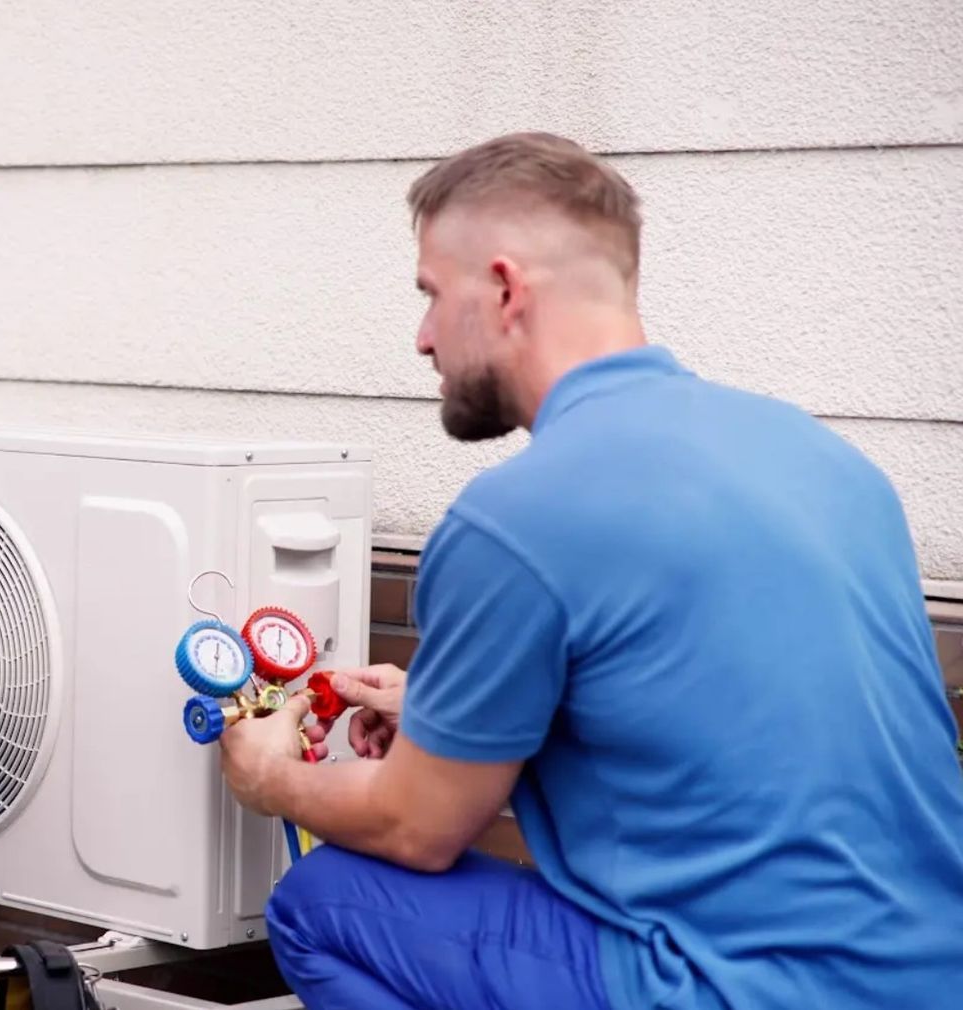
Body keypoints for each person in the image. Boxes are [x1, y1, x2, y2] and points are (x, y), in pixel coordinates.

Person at [217, 132, 963, 1008]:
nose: (422, 340)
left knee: (320, 903)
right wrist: (440, 716)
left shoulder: (515, 521)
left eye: (430, 296)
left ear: (502, 289)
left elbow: (417, 828)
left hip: (728, 990)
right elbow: (723, 720)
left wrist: (269, 778)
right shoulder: (827, 461)